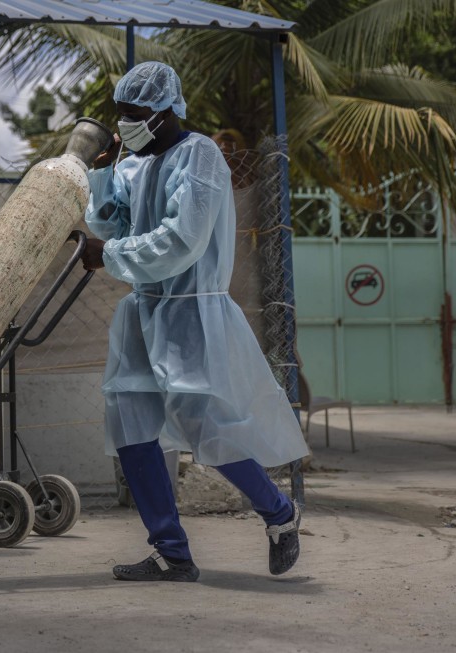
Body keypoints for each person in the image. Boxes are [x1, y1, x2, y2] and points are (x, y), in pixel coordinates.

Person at [82, 61, 310, 581]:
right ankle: (172, 552)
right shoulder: (132, 164)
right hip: (143, 311)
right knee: (130, 425)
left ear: (164, 112)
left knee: (206, 426)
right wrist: (101, 178)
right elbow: (111, 223)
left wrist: (109, 254)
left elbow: (182, 240)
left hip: (192, 311)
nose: (125, 125)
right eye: (120, 115)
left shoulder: (201, 156)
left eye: (134, 114)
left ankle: (279, 514)